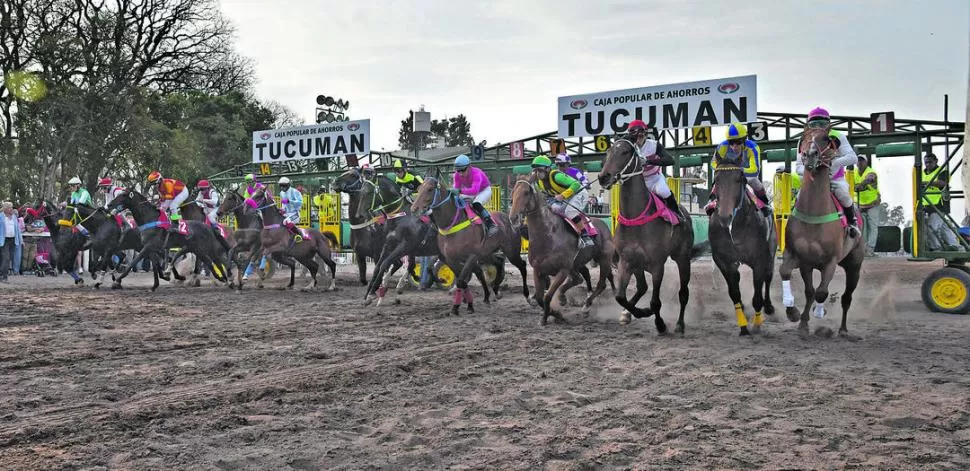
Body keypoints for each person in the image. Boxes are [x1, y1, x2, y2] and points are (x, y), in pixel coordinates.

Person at [795, 107, 860, 237]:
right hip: (812, 181)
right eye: (814, 124)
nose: (818, 128)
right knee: (799, 197)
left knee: (843, 194)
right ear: (808, 126)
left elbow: (853, 157)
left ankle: (852, 223)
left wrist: (832, 163)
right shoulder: (803, 141)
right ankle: (795, 226)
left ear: (829, 124)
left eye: (822, 124)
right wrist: (809, 169)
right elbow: (798, 167)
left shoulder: (838, 136)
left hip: (834, 178)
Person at [706, 122, 771, 217]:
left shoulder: (753, 147)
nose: (734, 146)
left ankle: (764, 202)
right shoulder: (722, 146)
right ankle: (712, 200)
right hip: (728, 173)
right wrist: (724, 170)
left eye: (738, 142)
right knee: (719, 177)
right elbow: (713, 163)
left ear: (744, 140)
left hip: (746, 173)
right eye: (731, 143)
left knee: (754, 181)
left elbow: (755, 170)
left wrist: (739, 170)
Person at [626, 119, 683, 222]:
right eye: (635, 137)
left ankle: (677, 213)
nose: (638, 139)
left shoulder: (654, 145)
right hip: (639, 181)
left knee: (664, 191)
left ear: (645, 134)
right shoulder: (628, 148)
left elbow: (670, 160)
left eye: (640, 136)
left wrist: (648, 161)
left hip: (655, 178)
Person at [532, 155, 593, 248]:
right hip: (567, 197)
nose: (537, 173)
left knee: (570, 212)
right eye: (535, 170)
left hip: (579, 193)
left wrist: (563, 195)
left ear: (547, 169)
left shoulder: (557, 176)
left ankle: (585, 236)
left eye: (539, 170)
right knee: (553, 209)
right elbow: (545, 195)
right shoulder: (540, 183)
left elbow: (576, 184)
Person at [921, 152, 963, 251]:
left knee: (932, 227)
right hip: (926, 205)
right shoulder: (921, 172)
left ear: (936, 161)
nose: (928, 164)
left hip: (939, 205)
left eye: (930, 162)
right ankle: (957, 247)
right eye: (926, 162)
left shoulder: (942, 171)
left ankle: (936, 248)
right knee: (944, 228)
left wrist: (926, 183)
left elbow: (942, 183)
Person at [452, 154, 498, 236]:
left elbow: (474, 190)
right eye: (458, 170)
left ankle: (490, 224)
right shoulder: (456, 175)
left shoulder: (477, 173)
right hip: (470, 191)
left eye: (463, 170)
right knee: (456, 201)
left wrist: (459, 191)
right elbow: (456, 190)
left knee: (476, 203)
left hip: (484, 190)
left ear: (469, 166)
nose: (461, 173)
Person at [853, 154, 881, 255]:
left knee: (873, 226)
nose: (860, 163)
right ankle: (859, 247)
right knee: (857, 225)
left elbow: (870, 179)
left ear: (866, 162)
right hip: (859, 204)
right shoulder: (853, 172)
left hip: (872, 203)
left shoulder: (871, 172)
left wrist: (861, 185)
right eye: (858, 161)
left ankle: (870, 249)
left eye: (862, 161)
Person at [0, 202, 23, 282]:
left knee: (7, 258)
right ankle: (4, 277)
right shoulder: (1, 216)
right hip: (3, 240)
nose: (12, 209)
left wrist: (20, 240)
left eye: (12, 207)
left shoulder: (14, 217)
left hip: (13, 240)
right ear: (5, 209)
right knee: (5, 258)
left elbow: (17, 229)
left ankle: (1, 274)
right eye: (10, 208)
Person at [277, 177, 304, 242]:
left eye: (284, 186)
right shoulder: (281, 193)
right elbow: (284, 204)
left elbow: (300, 203)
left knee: (287, 221)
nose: (282, 188)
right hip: (287, 214)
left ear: (288, 185)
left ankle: (299, 235)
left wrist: (290, 201)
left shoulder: (295, 192)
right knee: (279, 222)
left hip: (295, 214)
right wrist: (282, 209)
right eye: (281, 186)